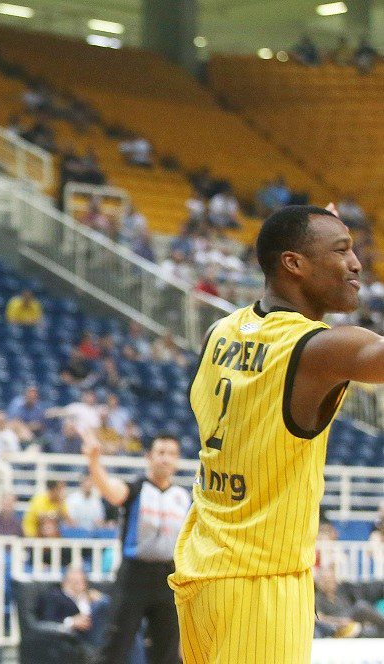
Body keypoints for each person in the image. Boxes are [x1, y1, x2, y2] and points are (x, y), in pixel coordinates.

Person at [169, 204, 384, 663]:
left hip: (201, 569)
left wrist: (318, 236)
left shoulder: (220, 331)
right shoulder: (319, 349)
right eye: (341, 251)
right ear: (294, 263)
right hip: (261, 583)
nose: (356, 264)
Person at [82, 430, 189, 664]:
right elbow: (110, 490)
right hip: (134, 575)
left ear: (178, 460)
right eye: (161, 452)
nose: (166, 458)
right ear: (149, 457)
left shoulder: (183, 497)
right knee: (115, 645)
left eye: (172, 454)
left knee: (167, 650)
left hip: (169, 577)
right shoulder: (137, 488)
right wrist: (94, 461)